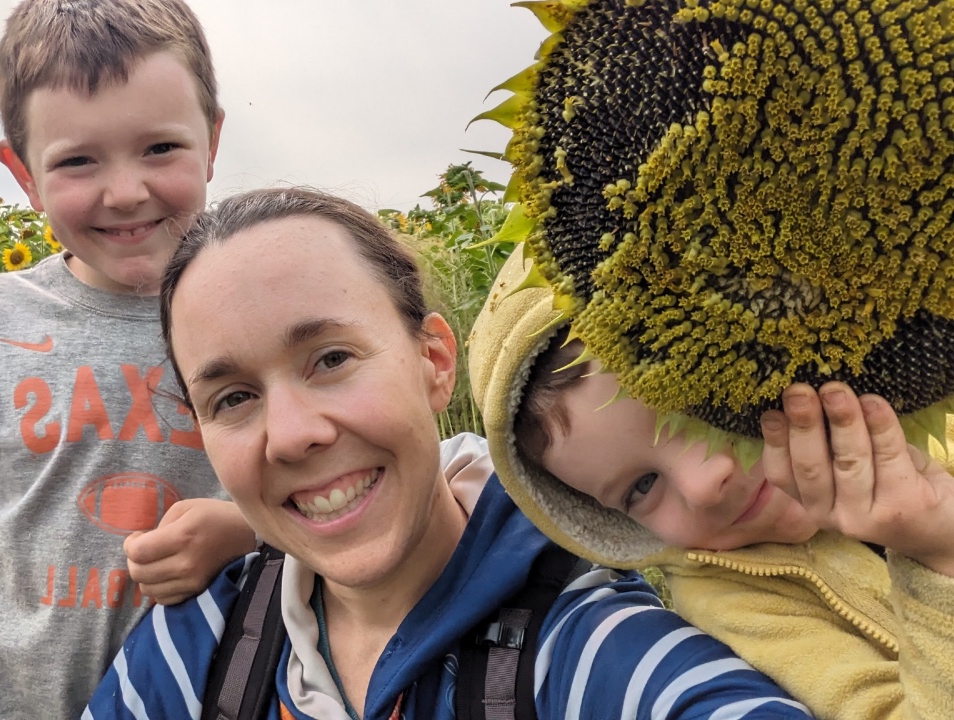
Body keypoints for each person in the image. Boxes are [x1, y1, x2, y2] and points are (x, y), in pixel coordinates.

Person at [82, 187, 814, 719]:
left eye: (330, 358)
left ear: (434, 361)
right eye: (233, 398)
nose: (293, 432)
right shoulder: (199, 643)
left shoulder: (581, 646)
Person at [0, 1, 258, 718]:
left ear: (211, 140)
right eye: (78, 160)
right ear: (23, 174)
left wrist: (245, 529)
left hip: (220, 691)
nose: (125, 191)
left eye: (160, 149)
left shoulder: (255, 310)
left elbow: (330, 493)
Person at [468, 246, 954, 720]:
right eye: (641, 487)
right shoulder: (737, 603)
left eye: (693, 411)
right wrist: (937, 555)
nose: (703, 485)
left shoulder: (926, 409)